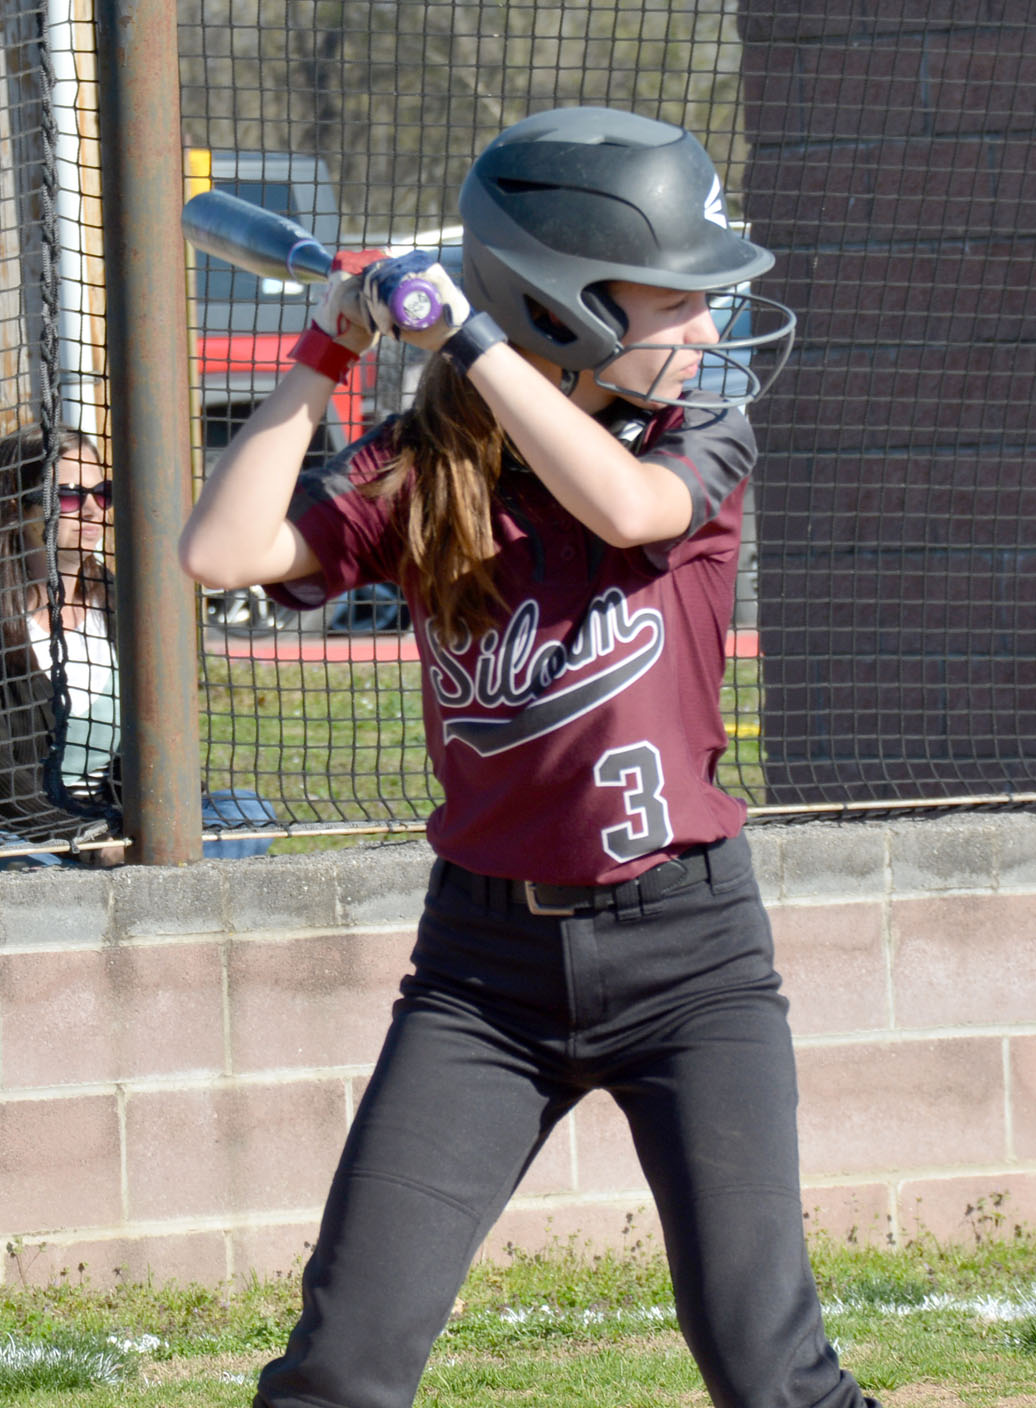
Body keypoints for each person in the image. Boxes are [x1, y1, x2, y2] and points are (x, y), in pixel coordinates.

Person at [179, 107, 871, 1408]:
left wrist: (472, 337)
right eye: (679, 305)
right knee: (341, 1368)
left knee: (769, 1372)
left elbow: (620, 508)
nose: (712, 334)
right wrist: (331, 340)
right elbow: (217, 554)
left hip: (692, 962)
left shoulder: (696, 446)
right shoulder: (425, 471)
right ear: (568, 311)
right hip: (483, 980)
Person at [0, 423, 277, 864]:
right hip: (30, 829)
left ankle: (142, 889)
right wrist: (86, 841)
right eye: (69, 496)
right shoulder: (7, 625)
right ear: (16, 507)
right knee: (22, 864)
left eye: (102, 493)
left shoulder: (121, 603)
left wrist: (150, 826)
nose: (93, 511)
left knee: (250, 811)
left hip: (115, 820)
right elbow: (8, 786)